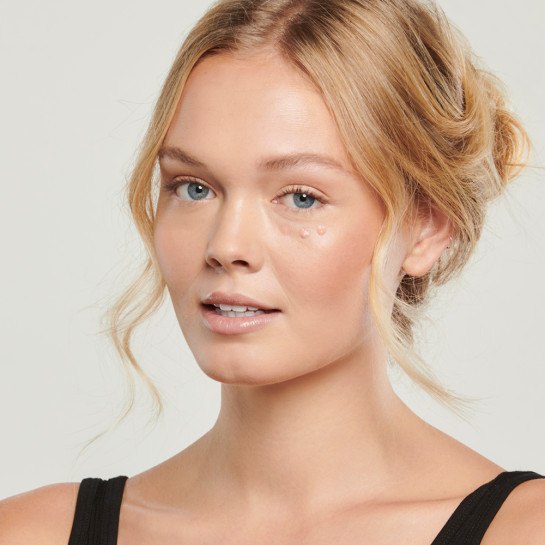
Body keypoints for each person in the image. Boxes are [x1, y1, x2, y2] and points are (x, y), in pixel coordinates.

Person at [1, 0, 543, 543]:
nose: (226, 246)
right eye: (194, 188)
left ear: (426, 229)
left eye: (301, 197)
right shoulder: (31, 533)